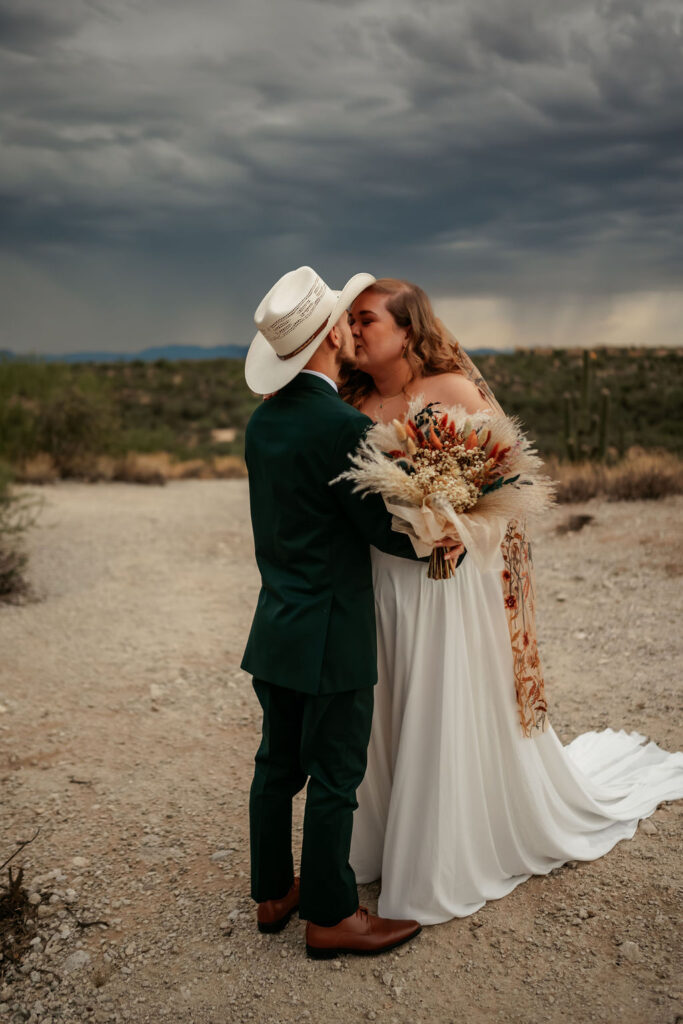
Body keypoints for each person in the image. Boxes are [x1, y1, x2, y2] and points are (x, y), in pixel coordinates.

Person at [342, 277, 683, 925]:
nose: (353, 332)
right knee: (387, 697)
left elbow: (504, 485)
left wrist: (449, 524)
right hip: (379, 579)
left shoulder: (455, 392)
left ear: (406, 330)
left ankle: (441, 850)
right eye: (350, 323)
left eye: (365, 321)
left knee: (438, 695)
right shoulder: (350, 399)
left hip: (446, 576)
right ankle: (380, 838)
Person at [241, 266, 455, 958]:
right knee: (336, 773)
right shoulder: (339, 426)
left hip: (275, 626)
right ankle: (332, 915)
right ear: (332, 334)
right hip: (331, 634)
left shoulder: (262, 422)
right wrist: (439, 536)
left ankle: (273, 892)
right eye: (345, 317)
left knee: (276, 765)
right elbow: (378, 530)